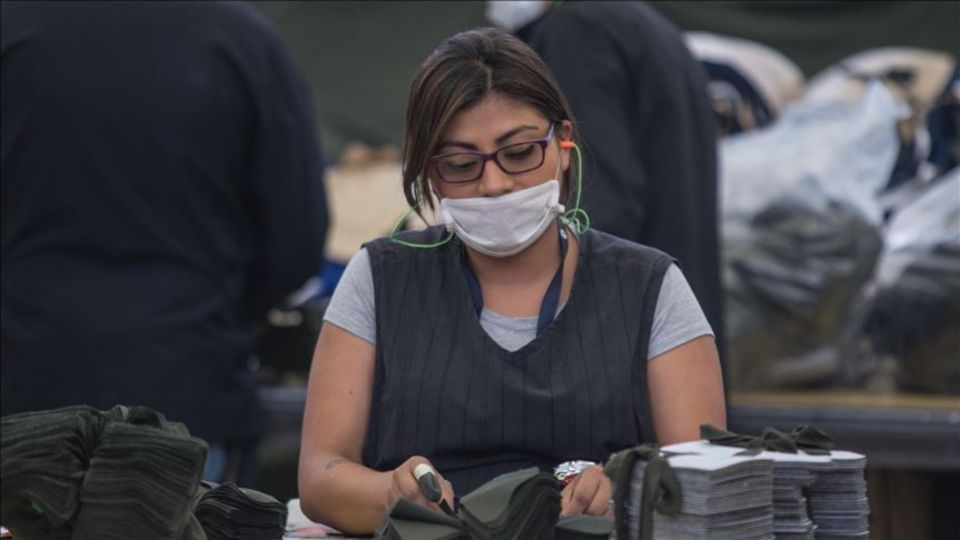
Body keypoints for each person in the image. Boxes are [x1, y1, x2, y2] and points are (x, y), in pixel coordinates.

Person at [298, 28, 724, 534]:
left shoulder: (651, 288)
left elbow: (707, 484)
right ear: (429, 175)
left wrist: (626, 492)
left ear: (564, 145)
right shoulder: (379, 278)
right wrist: (393, 492)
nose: (494, 183)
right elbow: (321, 476)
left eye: (519, 153)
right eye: (460, 164)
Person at [0, 1, 329, 483]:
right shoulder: (240, 38)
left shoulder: (13, 30)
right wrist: (227, 309)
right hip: (188, 386)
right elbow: (296, 237)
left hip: (27, 387)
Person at [487, 0, 727, 364]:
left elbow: (599, 199)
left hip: (628, 348)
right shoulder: (644, 24)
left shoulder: (579, 32)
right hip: (681, 331)